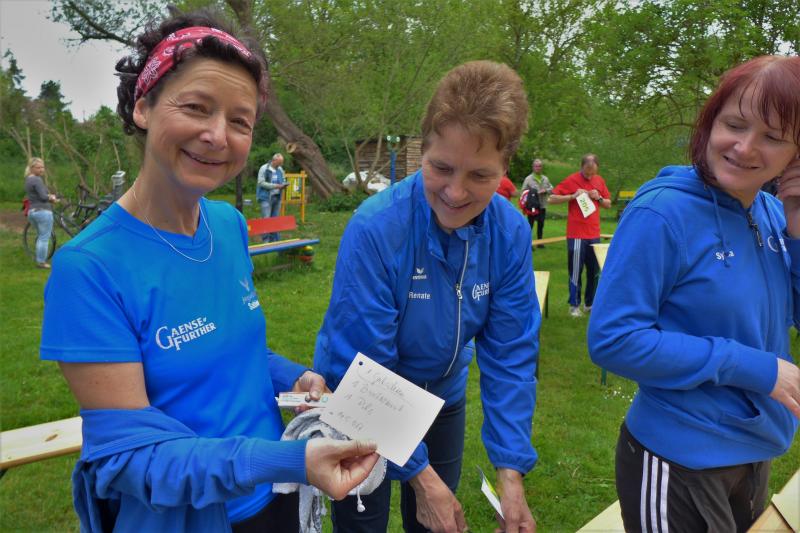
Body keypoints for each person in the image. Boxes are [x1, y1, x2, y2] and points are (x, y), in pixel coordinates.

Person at [39, 10, 378, 532]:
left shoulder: (227, 224)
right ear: (144, 106)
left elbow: (232, 351)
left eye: (240, 121)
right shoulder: (88, 269)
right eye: (196, 107)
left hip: (277, 494)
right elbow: (131, 457)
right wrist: (287, 460)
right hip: (189, 517)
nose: (217, 135)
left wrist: (295, 378)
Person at [314, 60, 539, 533]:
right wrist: (420, 476)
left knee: (436, 525)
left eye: (480, 175)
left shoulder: (509, 232)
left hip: (442, 399)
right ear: (424, 150)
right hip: (363, 396)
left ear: (506, 167)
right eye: (441, 168)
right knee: (363, 525)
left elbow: (511, 356)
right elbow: (366, 367)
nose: (455, 192)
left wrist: (510, 472)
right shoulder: (376, 229)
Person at [588, 55, 800, 532]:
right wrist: (756, 368)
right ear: (710, 123)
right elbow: (613, 340)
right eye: (735, 125)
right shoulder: (662, 214)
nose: (745, 147)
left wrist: (798, 229)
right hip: (679, 459)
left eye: (772, 137)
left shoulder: (771, 213)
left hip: (754, 450)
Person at [549, 154, 611, 317]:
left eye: (593, 173)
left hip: (594, 233)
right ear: (581, 167)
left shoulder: (599, 181)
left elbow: (608, 204)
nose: (590, 176)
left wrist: (599, 197)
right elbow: (551, 199)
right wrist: (572, 196)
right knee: (576, 270)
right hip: (577, 234)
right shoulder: (572, 180)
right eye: (587, 172)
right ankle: (574, 305)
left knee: (594, 271)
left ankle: (589, 304)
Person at [24, 157, 57, 269]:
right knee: (44, 238)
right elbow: (43, 197)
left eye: (42, 167)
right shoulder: (37, 180)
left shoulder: (28, 179)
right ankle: (41, 262)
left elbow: (36, 195)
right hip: (43, 212)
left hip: (32, 212)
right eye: (38, 167)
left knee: (40, 236)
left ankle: (40, 259)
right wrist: (52, 198)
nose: (41, 169)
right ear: (32, 168)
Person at [256, 153, 288, 242]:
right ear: (274, 160)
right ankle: (266, 241)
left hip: (277, 197)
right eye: (279, 163)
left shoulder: (280, 169)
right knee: (266, 219)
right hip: (266, 198)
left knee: (275, 219)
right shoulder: (264, 168)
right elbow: (261, 182)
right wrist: (275, 186)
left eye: (281, 163)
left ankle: (274, 240)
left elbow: (283, 179)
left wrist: (284, 184)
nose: (281, 165)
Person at [521, 159, 553, 244]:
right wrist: (533, 193)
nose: (538, 168)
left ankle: (540, 242)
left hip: (542, 205)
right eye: (536, 166)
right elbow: (523, 191)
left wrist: (545, 190)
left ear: (542, 167)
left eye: (539, 166)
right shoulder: (528, 179)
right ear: (533, 167)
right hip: (532, 206)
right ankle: (528, 243)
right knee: (530, 225)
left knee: (541, 224)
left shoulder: (545, 179)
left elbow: (551, 189)